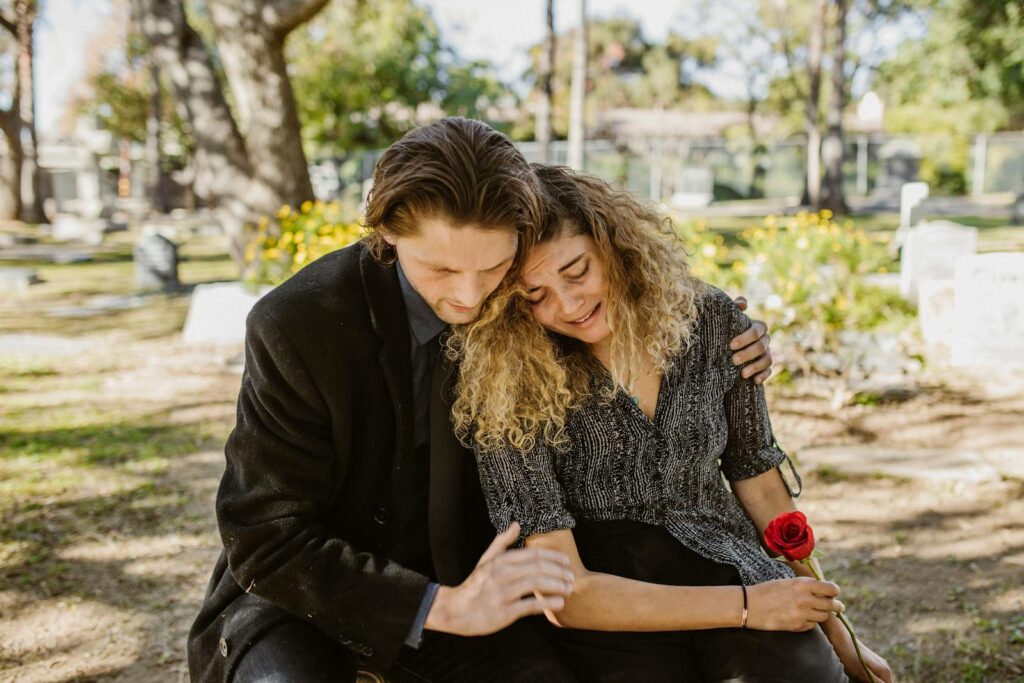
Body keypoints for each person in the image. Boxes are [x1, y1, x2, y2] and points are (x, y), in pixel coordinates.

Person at [186, 118, 777, 682]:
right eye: (440, 268)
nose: (469, 296)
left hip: (474, 584)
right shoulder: (297, 324)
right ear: (386, 231)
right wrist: (438, 606)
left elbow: (636, 292)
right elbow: (265, 537)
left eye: (493, 265)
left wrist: (733, 331)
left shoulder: (531, 303)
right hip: (305, 599)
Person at [451, 164, 896, 682]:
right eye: (536, 295)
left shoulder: (712, 321)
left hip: (724, 556)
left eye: (577, 271)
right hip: (612, 600)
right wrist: (748, 607)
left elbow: (758, 478)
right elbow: (567, 593)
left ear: (614, 245)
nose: (569, 304)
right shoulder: (503, 378)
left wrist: (839, 637)